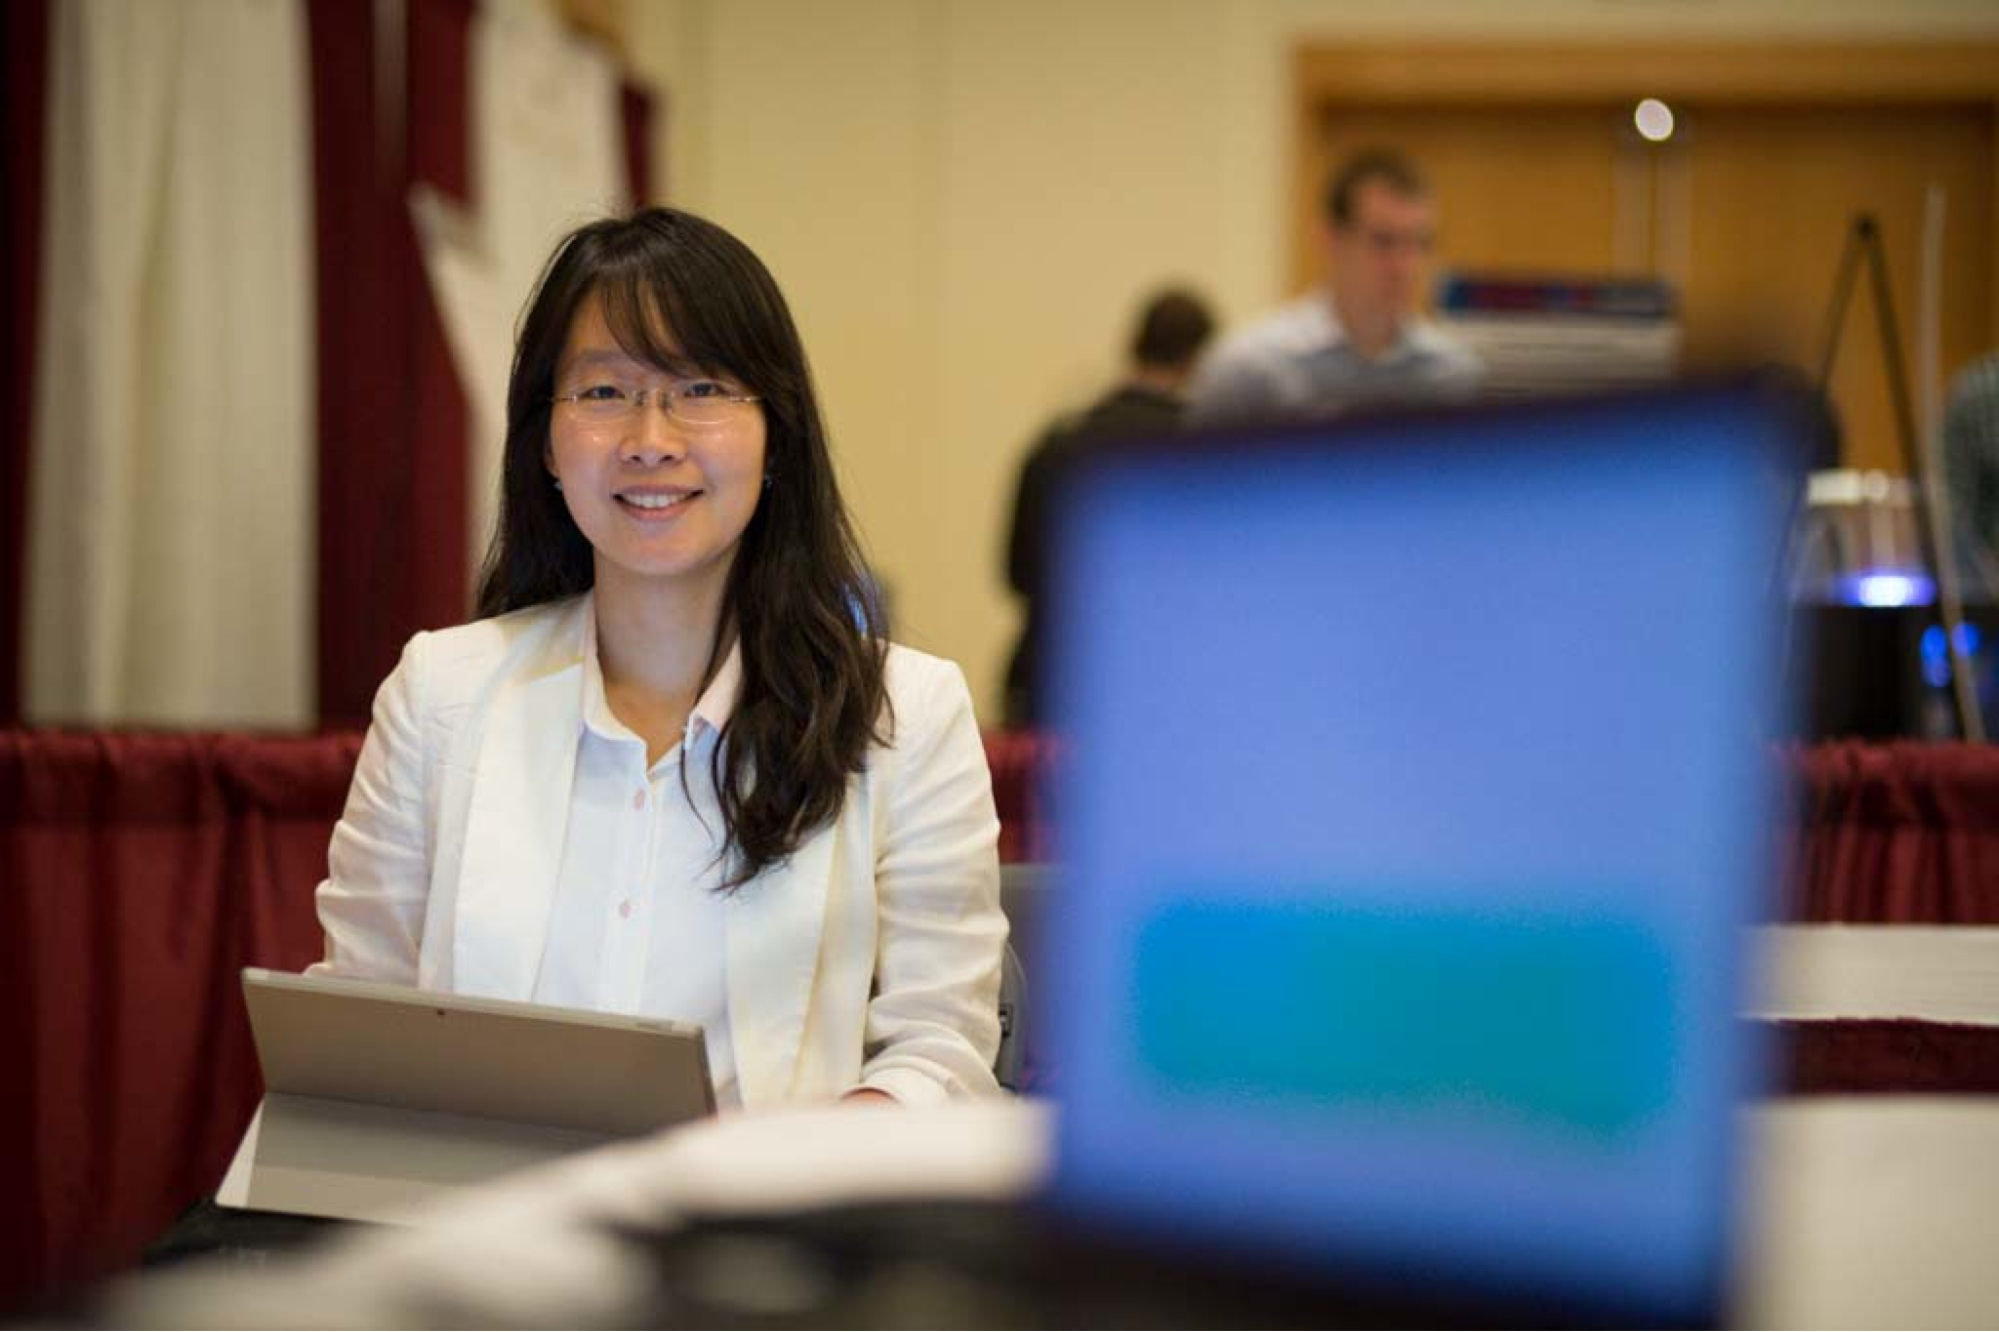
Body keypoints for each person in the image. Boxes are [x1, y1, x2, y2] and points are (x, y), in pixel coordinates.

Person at [308, 207, 1007, 1110]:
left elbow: (939, 1051)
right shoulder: (438, 694)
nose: (651, 437)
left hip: (767, 1232)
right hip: (485, 1228)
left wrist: (774, 1178)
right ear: (546, 444)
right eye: (603, 393)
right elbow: (358, 1028)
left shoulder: (905, 714)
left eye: (702, 389)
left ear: (775, 435)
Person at [1002, 287, 1215, 727]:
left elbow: (1015, 573)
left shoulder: (1057, 443)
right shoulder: (1201, 454)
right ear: (1197, 361)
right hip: (1154, 687)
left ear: (1132, 345)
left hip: (1049, 676)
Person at [1187, 147, 1481, 426]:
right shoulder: (1251, 369)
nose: (1405, 265)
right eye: (1383, 241)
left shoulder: (1453, 374)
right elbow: (1197, 478)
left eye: (1419, 243)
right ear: (1331, 239)